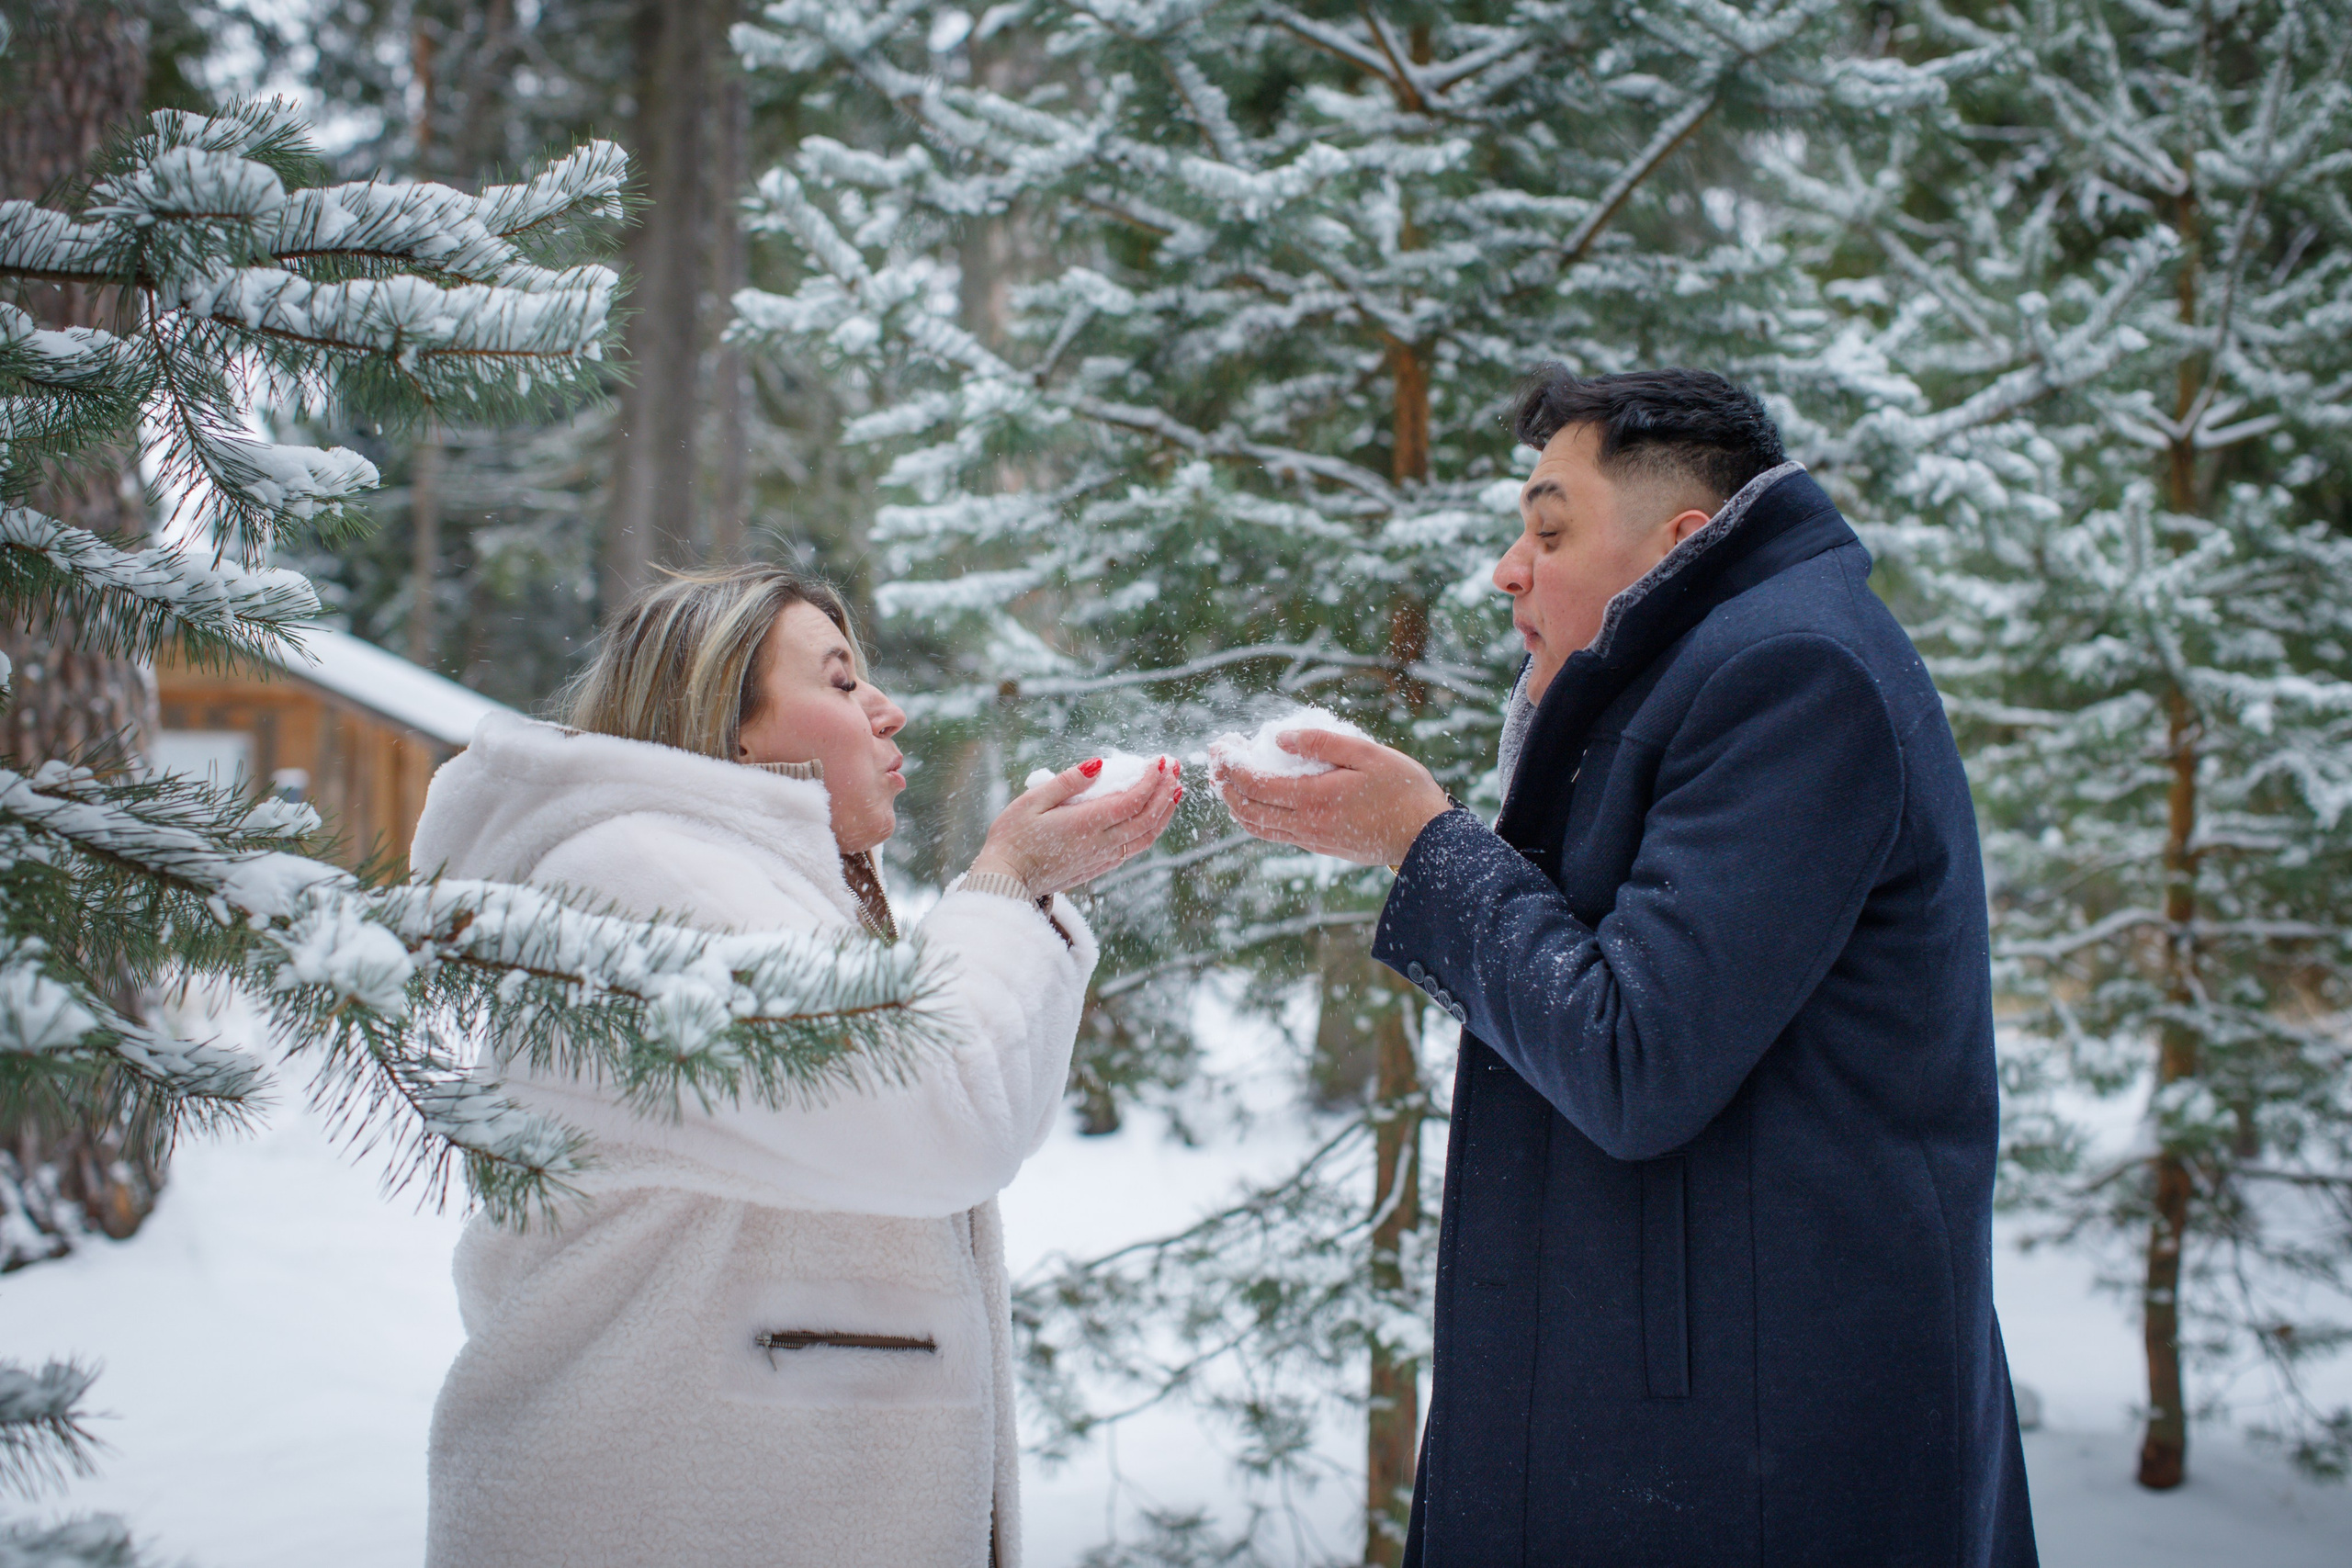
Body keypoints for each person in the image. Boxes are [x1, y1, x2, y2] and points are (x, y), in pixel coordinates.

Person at [1216, 368, 2036, 1565]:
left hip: (1751, 1446)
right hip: (1684, 1408)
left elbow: (1633, 1051)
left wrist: (1419, 840)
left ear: (1680, 543)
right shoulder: (1712, 671)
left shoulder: (1797, 676)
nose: (1510, 565)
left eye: (1550, 528)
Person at [413, 566, 1180, 1568]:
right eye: (841, 681)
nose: (886, 709)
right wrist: (1002, 884)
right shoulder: (640, 881)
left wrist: (1022, 897)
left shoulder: (738, 887)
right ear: (729, 721)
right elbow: (946, 1125)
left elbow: (982, 1118)